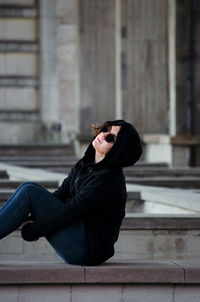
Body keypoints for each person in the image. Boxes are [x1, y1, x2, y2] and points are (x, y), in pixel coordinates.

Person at [0, 120, 142, 266]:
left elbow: (71, 210)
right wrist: (32, 217)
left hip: (86, 249)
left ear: (119, 150)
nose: (103, 134)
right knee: (28, 188)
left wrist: (35, 229)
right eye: (106, 129)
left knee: (30, 191)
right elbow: (60, 195)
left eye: (110, 137)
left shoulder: (109, 179)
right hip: (77, 237)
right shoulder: (85, 164)